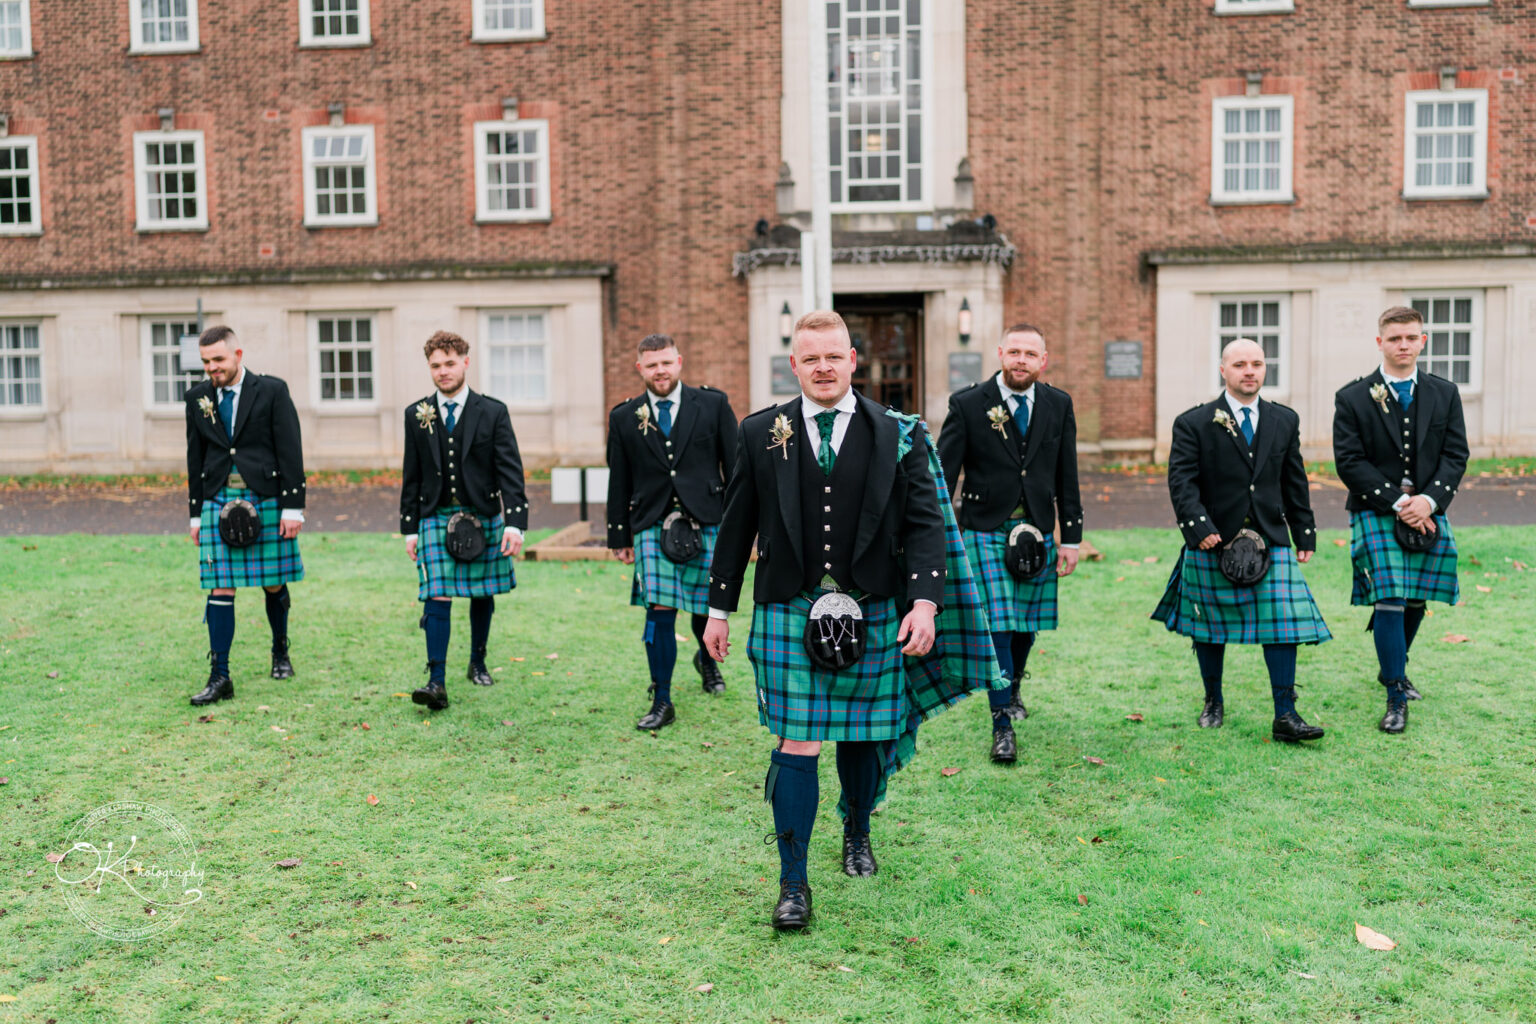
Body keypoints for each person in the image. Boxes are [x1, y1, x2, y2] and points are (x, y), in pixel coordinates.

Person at [703, 310, 1003, 931]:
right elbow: (736, 525)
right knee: (798, 740)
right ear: (794, 364)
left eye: (833, 356)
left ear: (852, 359)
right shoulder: (762, 431)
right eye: (810, 358)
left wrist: (924, 601)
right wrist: (717, 608)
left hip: (873, 608)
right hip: (790, 606)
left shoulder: (899, 432)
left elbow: (924, 523)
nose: (822, 367)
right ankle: (792, 882)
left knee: (865, 735)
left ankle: (858, 829)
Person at [1152, 338, 1330, 742]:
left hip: (1271, 536)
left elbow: (1293, 480)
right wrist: (1199, 527)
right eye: (1239, 364)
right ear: (1223, 370)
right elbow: (1182, 482)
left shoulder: (1284, 420)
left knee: (1284, 625)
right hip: (1214, 538)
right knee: (1210, 627)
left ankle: (1286, 713)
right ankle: (1213, 700)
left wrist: (1304, 530)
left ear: (1265, 369)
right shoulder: (1194, 422)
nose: (1249, 371)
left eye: (1257, 364)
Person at [936, 323, 1084, 763]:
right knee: (998, 623)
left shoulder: (1059, 404)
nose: (1021, 360)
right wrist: (940, 533)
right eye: (1014, 351)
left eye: (1029, 353)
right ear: (1000, 353)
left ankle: (1013, 684)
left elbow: (1067, 475)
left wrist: (1070, 537)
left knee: (1024, 625)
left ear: (1044, 359)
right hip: (984, 527)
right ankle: (1001, 723)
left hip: (1038, 529)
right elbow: (945, 474)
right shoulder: (967, 403)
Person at [1333, 306, 1468, 734]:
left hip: (1429, 507)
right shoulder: (1352, 396)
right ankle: (1395, 693)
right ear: (1380, 343)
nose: (1404, 345)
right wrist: (1398, 502)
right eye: (1395, 339)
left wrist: (1429, 500)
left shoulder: (1444, 393)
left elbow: (1455, 454)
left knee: (1416, 597)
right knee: (1390, 595)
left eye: (1411, 337)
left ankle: (1392, 666)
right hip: (1377, 509)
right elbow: (1349, 462)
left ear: (1423, 340)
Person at [605, 334, 739, 730]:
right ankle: (662, 698)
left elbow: (735, 470)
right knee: (660, 611)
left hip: (707, 518)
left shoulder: (712, 404)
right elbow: (619, 480)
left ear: (679, 362)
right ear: (640, 369)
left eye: (666, 363)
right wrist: (619, 535)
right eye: (651, 365)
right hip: (650, 523)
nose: (659, 371)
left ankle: (706, 661)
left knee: (704, 608)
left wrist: (740, 528)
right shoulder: (625, 416)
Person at [399, 331, 528, 711]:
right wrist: (409, 528)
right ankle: (436, 680)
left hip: (482, 514)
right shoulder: (416, 414)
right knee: (435, 592)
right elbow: (412, 474)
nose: (443, 372)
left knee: (480, 591)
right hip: (435, 515)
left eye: (449, 363)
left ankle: (478, 661)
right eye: (436, 366)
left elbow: (511, 472)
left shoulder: (493, 411)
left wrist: (514, 523)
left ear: (465, 362)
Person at [185, 325, 306, 706]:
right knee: (220, 586)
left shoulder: (271, 390)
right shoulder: (197, 398)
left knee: (272, 582)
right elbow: (195, 458)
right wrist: (194, 513)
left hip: (266, 496)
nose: (212, 368)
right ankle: (220, 675)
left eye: (218, 359)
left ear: (238, 355)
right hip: (218, 499)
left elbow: (290, 448)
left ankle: (280, 649)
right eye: (206, 362)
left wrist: (293, 506)